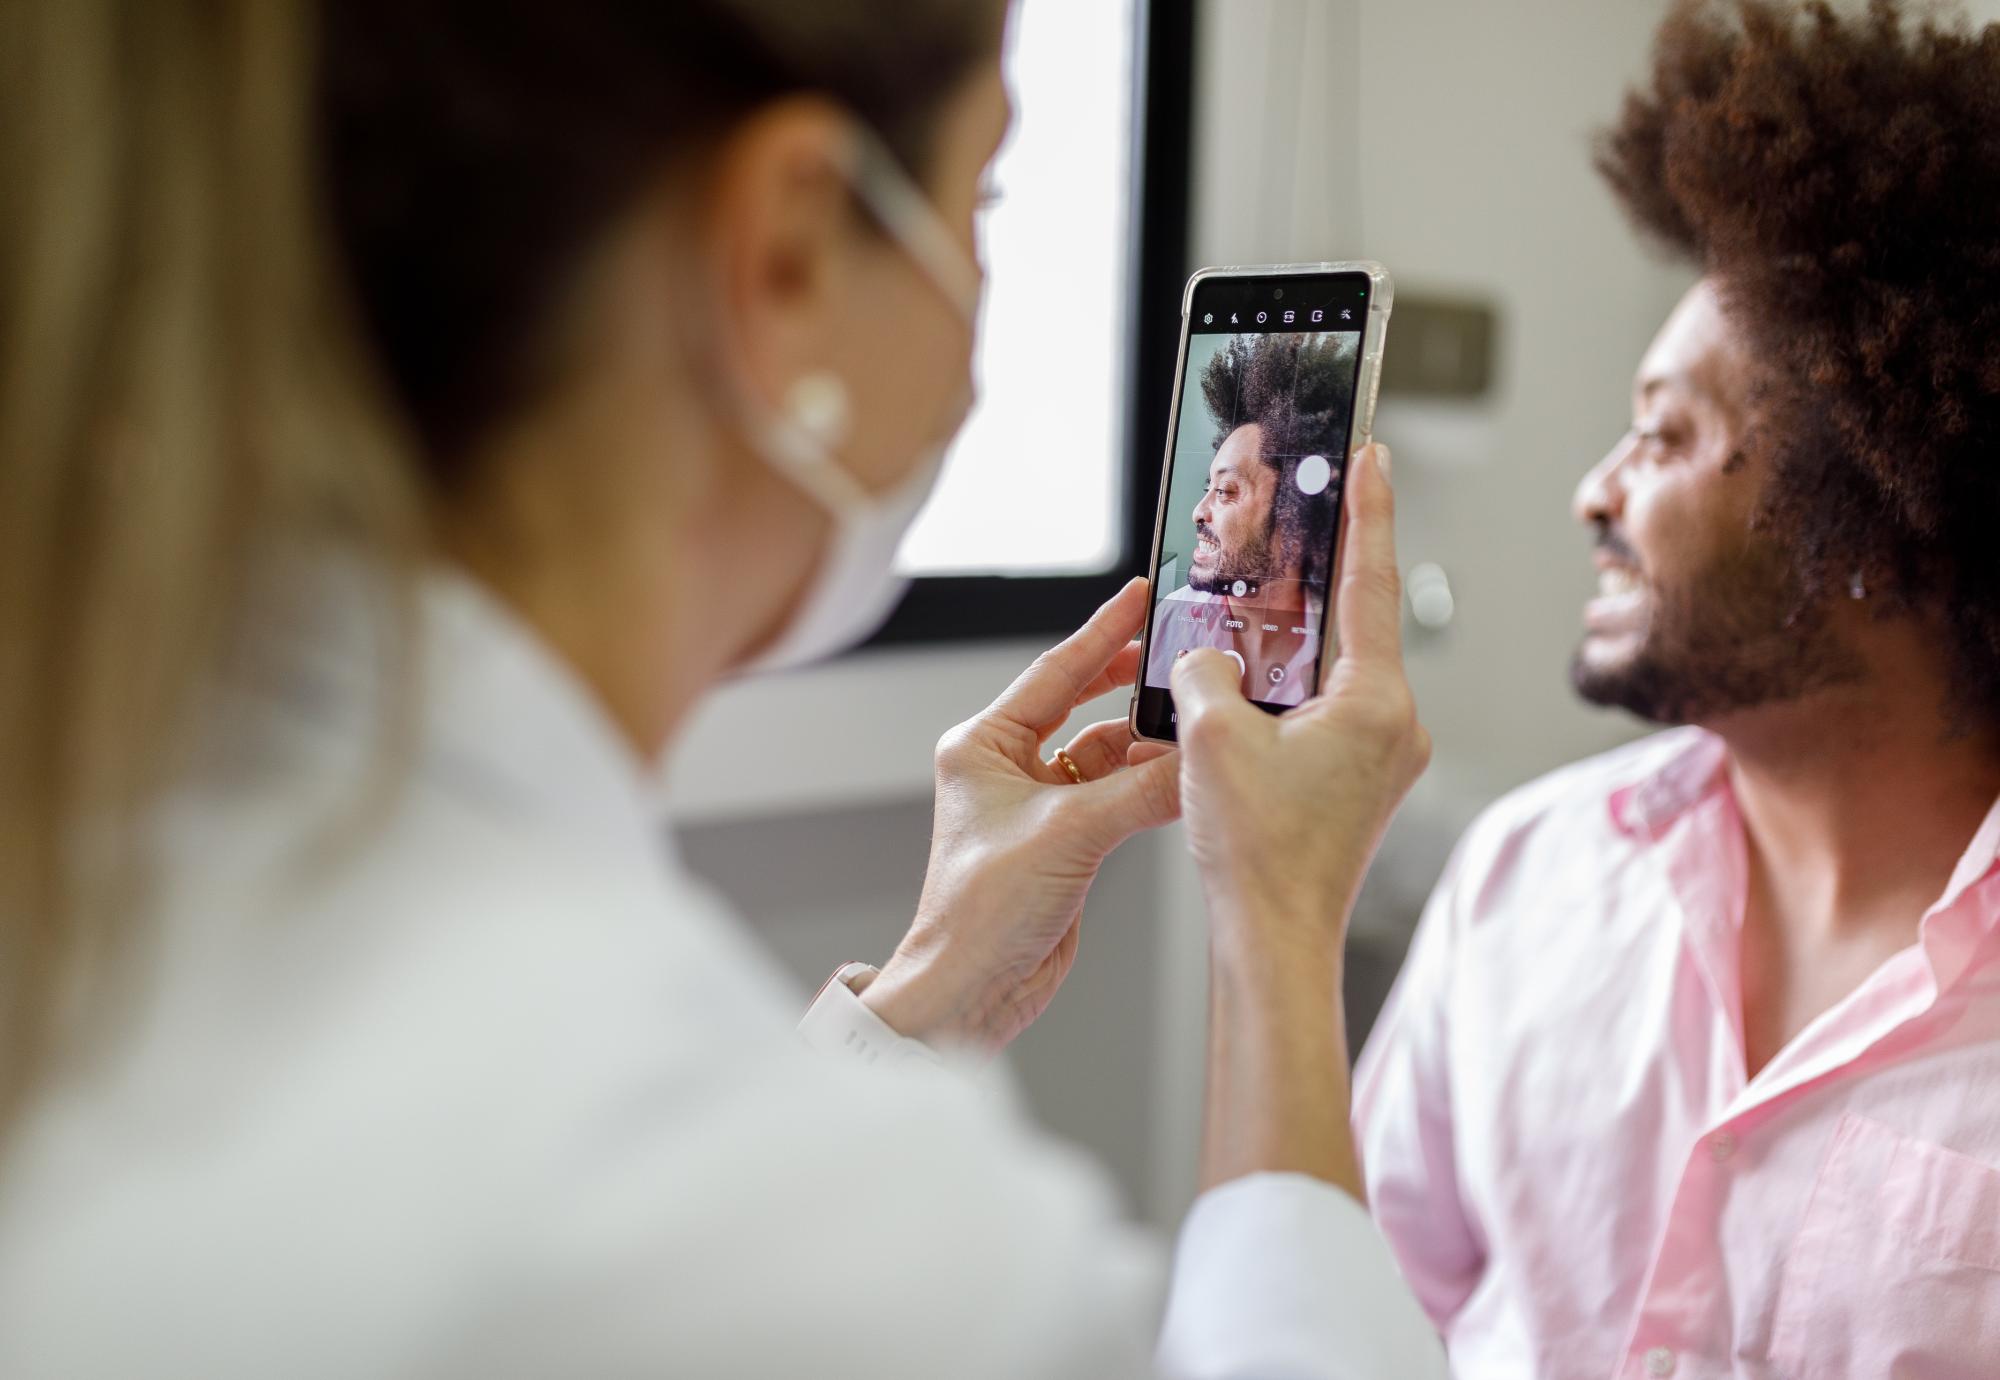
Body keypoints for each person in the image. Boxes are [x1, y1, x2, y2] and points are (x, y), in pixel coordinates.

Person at [0, 2, 1442, 1376]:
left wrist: (922, 999)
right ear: (795, 254)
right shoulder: (860, 1249)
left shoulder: (111, 873)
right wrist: (1280, 922)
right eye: (983, 200)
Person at [1353, 3, 2000, 1377]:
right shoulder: (1520, 880)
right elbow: (1363, 1310)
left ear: (1868, 525)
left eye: (1664, 433)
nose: (1596, 490)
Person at [1146, 333, 1349, 707]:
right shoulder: (1173, 617)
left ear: (1295, 511)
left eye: (1225, 491)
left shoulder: (1342, 648)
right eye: (1210, 487)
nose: (1198, 512)